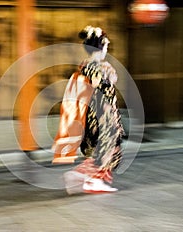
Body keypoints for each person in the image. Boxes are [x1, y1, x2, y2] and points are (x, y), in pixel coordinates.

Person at [52, 26, 125, 194]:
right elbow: (102, 83)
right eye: (106, 46)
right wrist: (109, 76)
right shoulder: (95, 66)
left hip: (95, 112)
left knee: (99, 148)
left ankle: (89, 178)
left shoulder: (87, 65)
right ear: (101, 46)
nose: (107, 49)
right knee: (106, 145)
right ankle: (88, 178)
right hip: (101, 113)